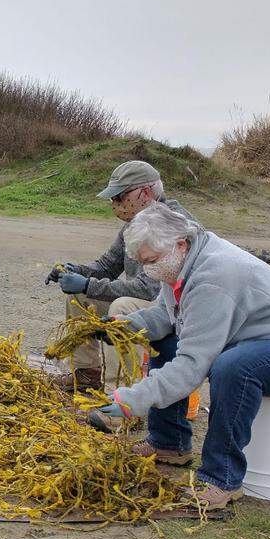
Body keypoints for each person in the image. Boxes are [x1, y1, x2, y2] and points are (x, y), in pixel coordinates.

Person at [94, 203, 270, 509]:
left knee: (233, 367)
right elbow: (165, 317)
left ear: (180, 244)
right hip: (261, 346)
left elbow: (192, 366)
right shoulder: (180, 264)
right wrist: (128, 327)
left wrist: (131, 400)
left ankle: (221, 479)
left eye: (151, 261)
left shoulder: (213, 275)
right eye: (143, 263)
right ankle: (169, 442)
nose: (149, 270)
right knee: (168, 339)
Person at [46, 160, 194, 392]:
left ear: (145, 193)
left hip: (173, 311)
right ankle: (86, 374)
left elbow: (148, 290)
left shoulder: (172, 224)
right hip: (149, 303)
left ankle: (124, 394)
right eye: (113, 199)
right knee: (79, 297)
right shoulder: (136, 222)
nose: (115, 204)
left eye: (120, 197)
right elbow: (107, 266)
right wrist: (76, 271)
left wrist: (88, 284)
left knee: (121, 307)